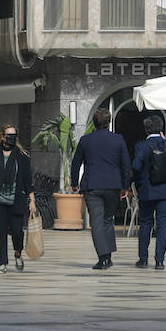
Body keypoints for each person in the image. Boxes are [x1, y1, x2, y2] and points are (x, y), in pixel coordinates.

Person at [69, 107, 131, 270]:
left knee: (96, 222)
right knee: (107, 220)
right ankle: (108, 255)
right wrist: (125, 186)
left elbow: (75, 164)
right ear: (109, 122)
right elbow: (126, 164)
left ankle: (103, 257)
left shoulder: (85, 140)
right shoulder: (118, 140)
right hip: (112, 186)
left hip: (93, 185)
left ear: (94, 123)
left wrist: (74, 183)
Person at [0, 122, 36, 273]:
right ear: (2, 137)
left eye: (14, 136)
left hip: (16, 199)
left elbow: (28, 181)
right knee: (0, 232)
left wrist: (32, 201)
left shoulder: (22, 157)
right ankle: (2, 263)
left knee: (17, 231)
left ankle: (18, 253)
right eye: (9, 135)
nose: (12, 138)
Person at [132, 115, 166, 269]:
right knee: (163, 223)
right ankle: (159, 261)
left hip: (147, 190)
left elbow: (136, 166)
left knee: (145, 223)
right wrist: (165, 141)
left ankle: (143, 259)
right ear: (161, 129)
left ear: (145, 129)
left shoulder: (141, 146)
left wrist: (140, 181)